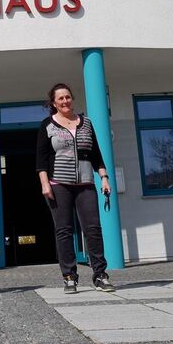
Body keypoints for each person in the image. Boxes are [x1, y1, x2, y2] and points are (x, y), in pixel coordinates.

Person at [36, 83, 115, 294]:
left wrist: (104, 178)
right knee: (63, 231)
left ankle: (100, 274)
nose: (65, 101)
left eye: (68, 97)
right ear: (54, 103)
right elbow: (41, 159)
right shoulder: (47, 125)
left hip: (86, 183)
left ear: (72, 99)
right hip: (58, 184)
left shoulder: (86, 123)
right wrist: (45, 184)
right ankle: (69, 276)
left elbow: (96, 154)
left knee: (93, 229)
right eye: (60, 98)